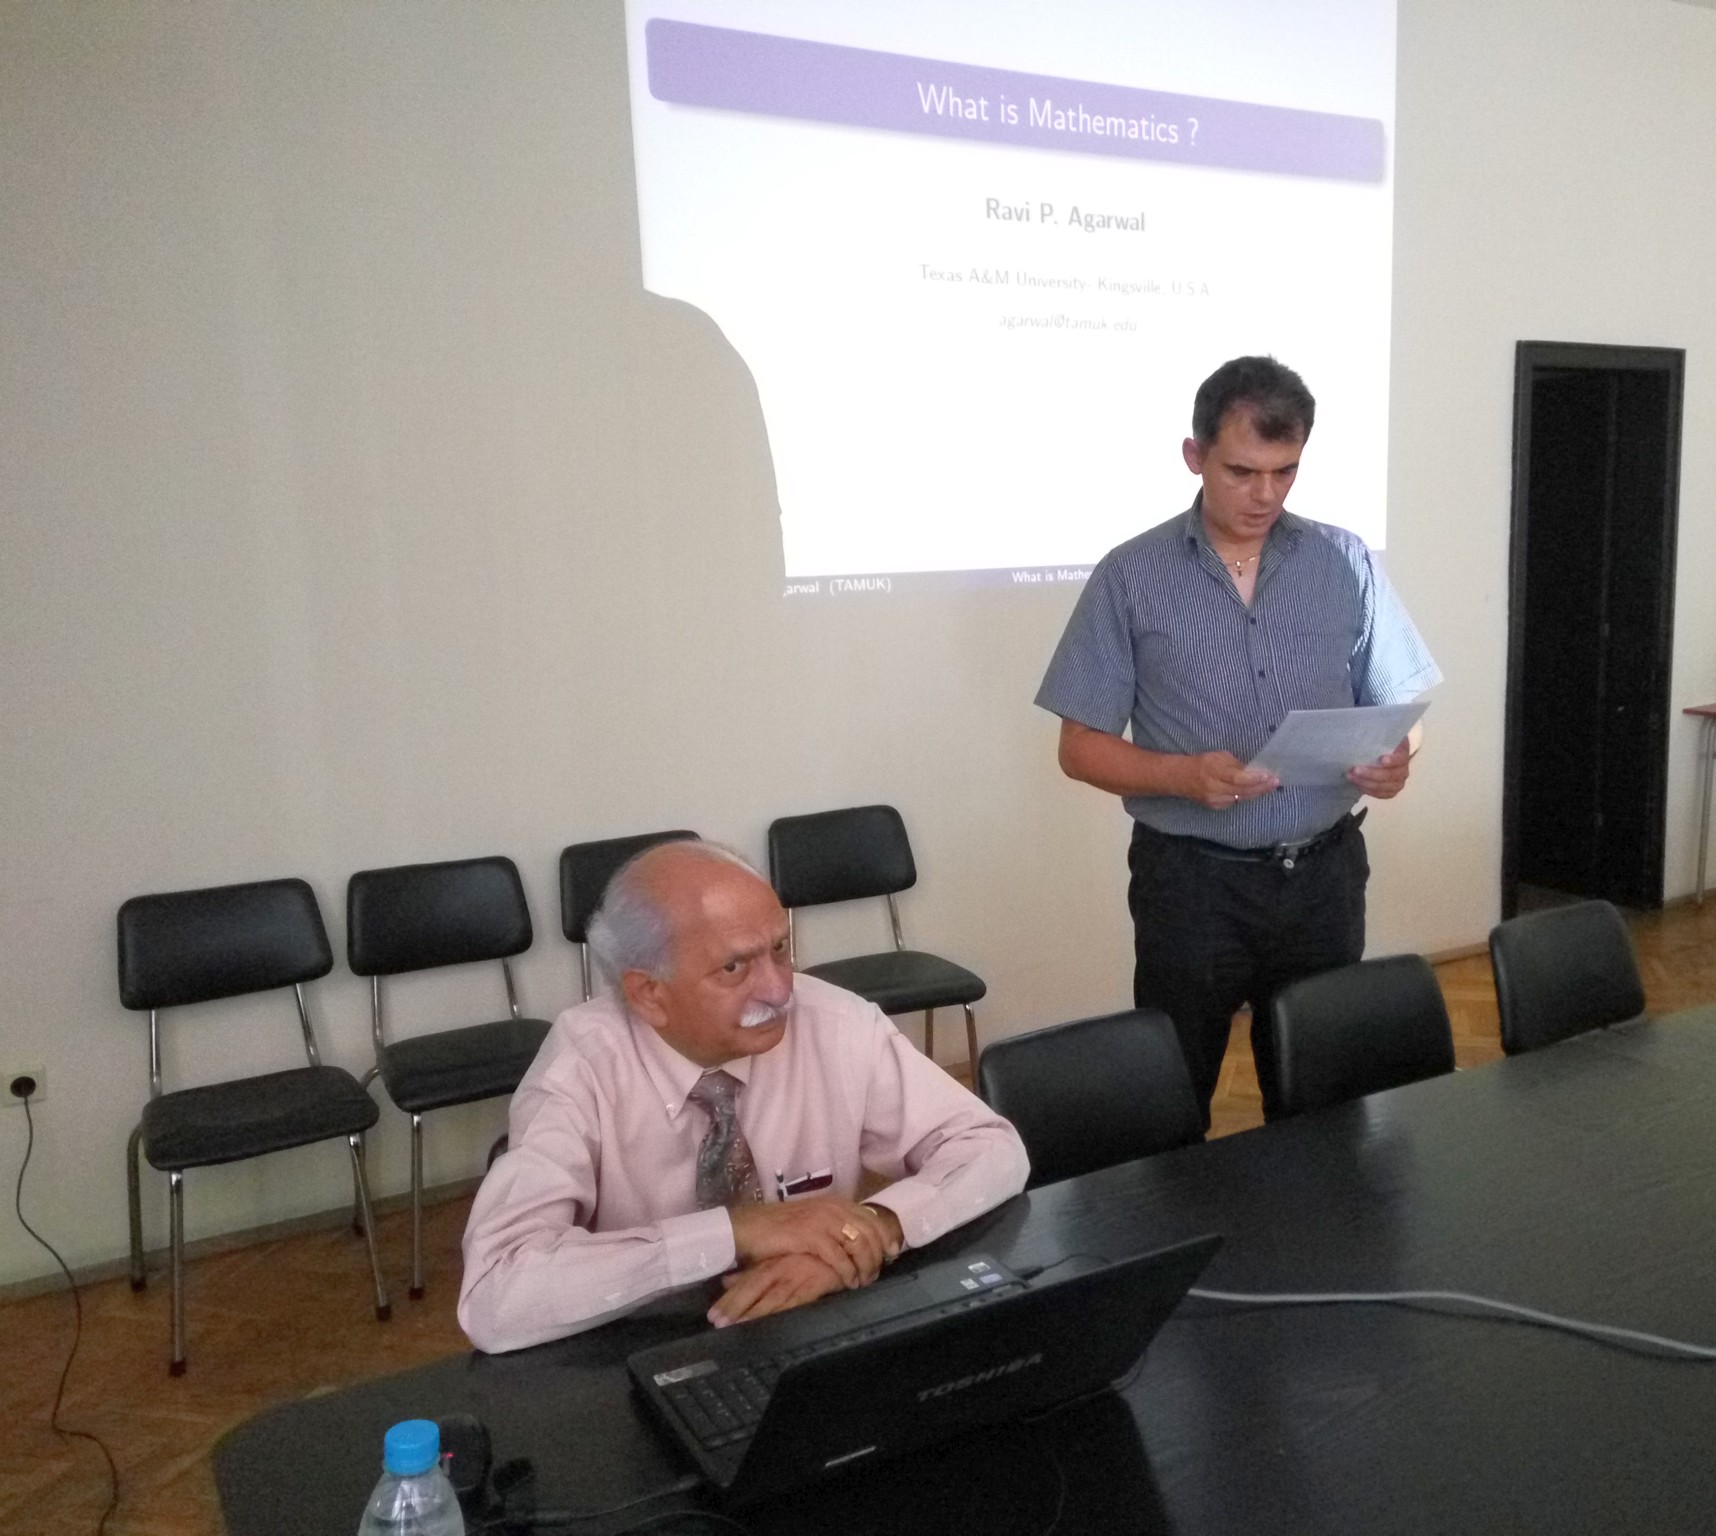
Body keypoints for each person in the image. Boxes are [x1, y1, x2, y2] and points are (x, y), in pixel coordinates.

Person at [1035, 356, 1441, 1126]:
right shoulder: (1131, 575)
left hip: (1324, 880)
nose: (1265, 495)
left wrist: (1399, 758)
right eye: (1243, 472)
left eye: (1285, 472)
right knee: (1173, 1099)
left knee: (1324, 1100)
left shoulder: (1344, 560)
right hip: (1192, 885)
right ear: (1195, 456)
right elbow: (1078, 747)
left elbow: (1402, 709)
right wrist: (1182, 776)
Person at [458, 839, 1029, 1353]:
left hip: (812, 1327)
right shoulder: (580, 1068)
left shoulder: (835, 1022)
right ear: (649, 993)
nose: (779, 991)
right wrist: (735, 1233)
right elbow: (495, 1293)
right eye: (733, 967)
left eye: (780, 948)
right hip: (638, 1346)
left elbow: (990, 1147)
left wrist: (873, 1227)